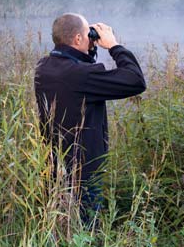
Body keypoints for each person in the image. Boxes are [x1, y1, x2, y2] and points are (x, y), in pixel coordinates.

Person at [34, 13, 146, 219]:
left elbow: (77, 69)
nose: (91, 38)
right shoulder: (82, 76)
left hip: (52, 167)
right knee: (84, 231)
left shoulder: (43, 67)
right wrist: (113, 45)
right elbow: (136, 80)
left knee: (58, 226)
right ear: (77, 38)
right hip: (83, 173)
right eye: (88, 34)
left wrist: (90, 49)